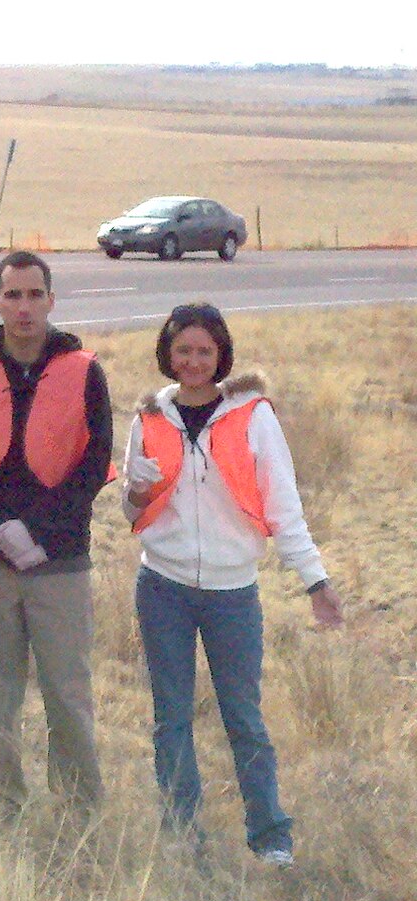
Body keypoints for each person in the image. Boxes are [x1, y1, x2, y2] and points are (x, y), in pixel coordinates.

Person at [122, 302, 344, 865]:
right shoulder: (149, 416)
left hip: (233, 592)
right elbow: (132, 511)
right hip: (162, 586)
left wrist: (314, 579)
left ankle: (270, 835)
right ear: (167, 355)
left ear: (221, 354)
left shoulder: (252, 416)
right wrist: (139, 491)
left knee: (243, 716)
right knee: (170, 717)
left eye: (203, 350)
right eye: (182, 351)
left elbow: (282, 503)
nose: (193, 361)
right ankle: (181, 831)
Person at [0, 251, 112, 811]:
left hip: (60, 560)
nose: (23, 306)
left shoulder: (85, 370)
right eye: (12, 295)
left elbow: (95, 461)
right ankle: (1, 798)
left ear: (51, 301)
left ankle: (80, 804)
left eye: (34, 294)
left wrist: (38, 530)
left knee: (67, 690)